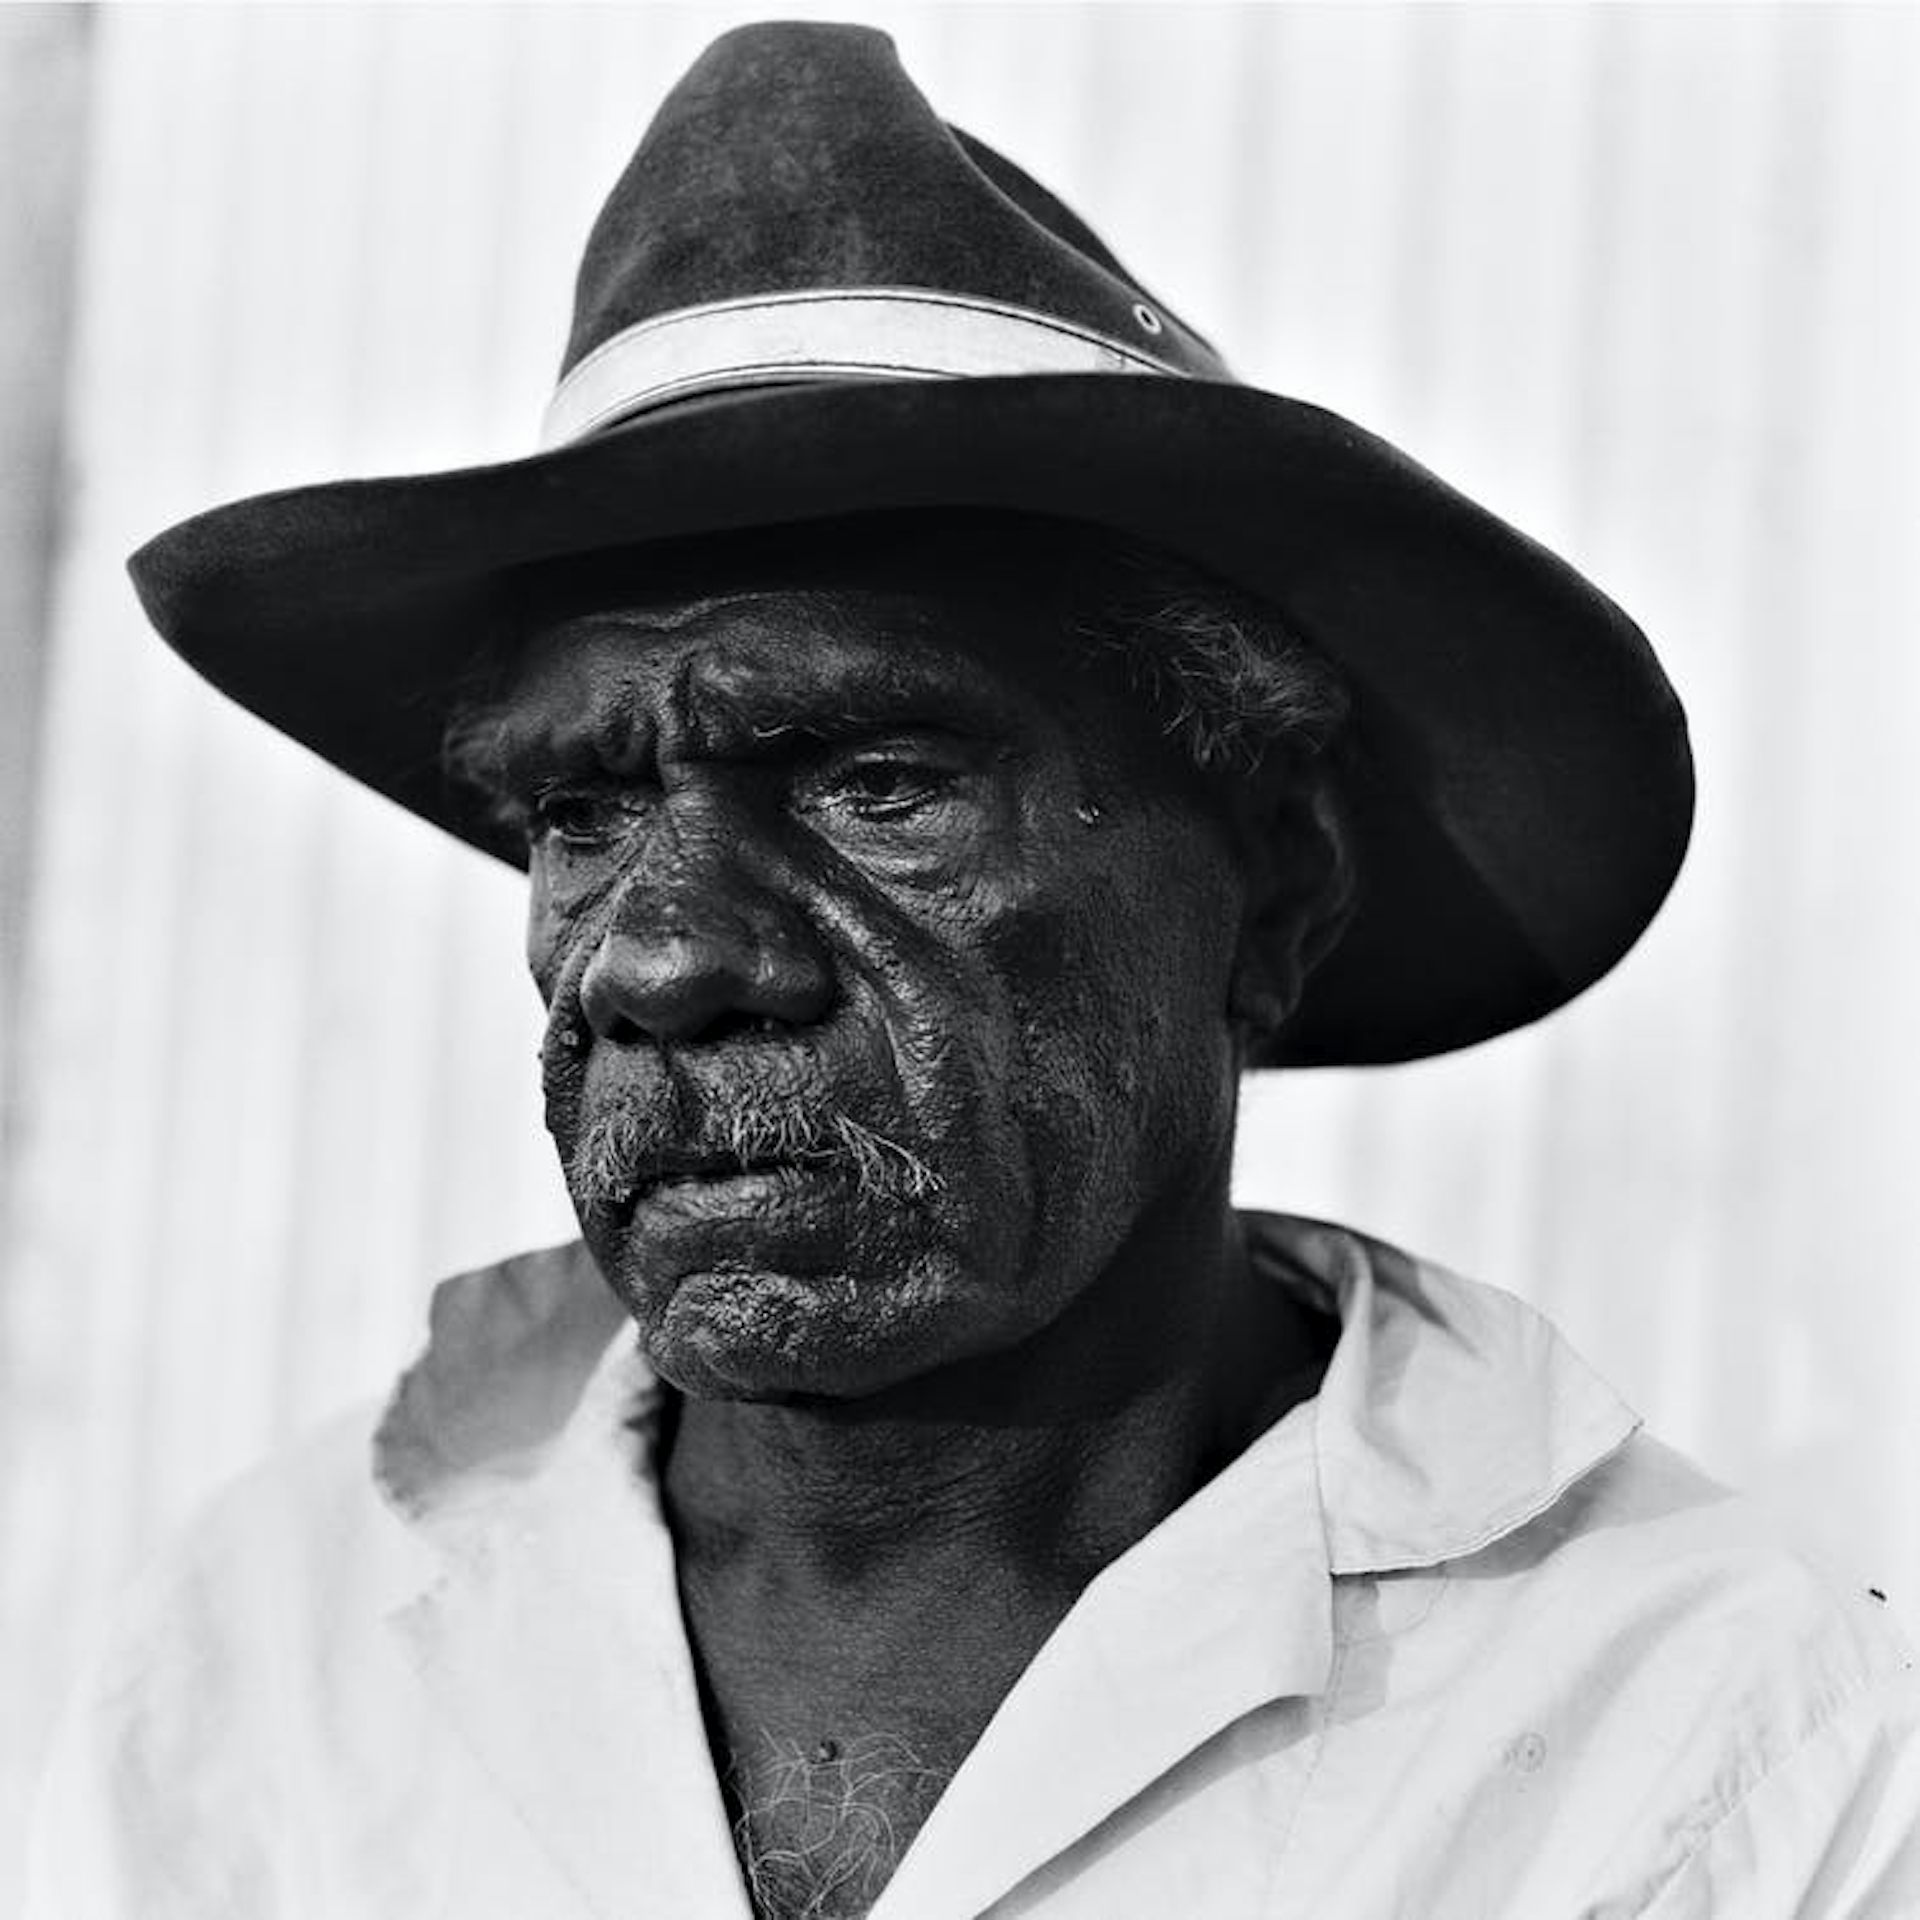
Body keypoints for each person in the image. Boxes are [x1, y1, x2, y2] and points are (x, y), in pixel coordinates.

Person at [28, 20, 1918, 1919]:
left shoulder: (1719, 1732)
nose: (666, 953)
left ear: (1270, 893)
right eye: (583, 815)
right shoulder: (279, 1650)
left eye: (876, 784)